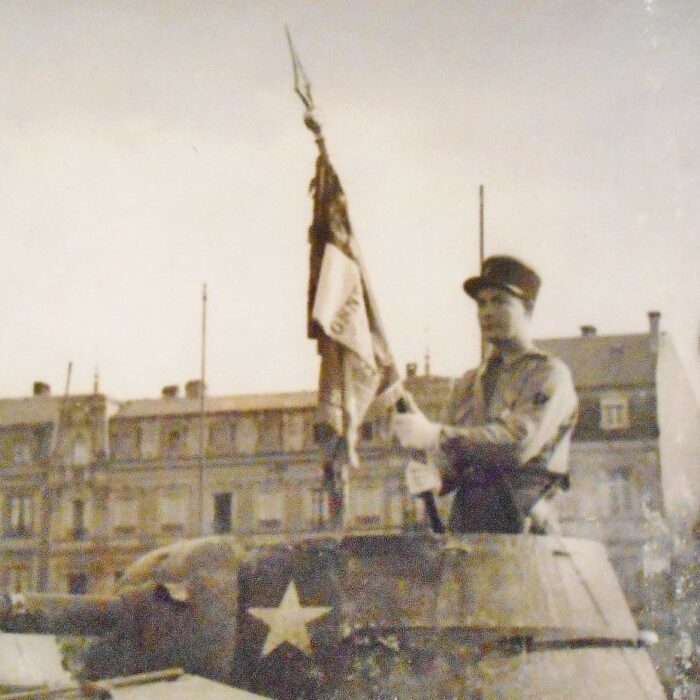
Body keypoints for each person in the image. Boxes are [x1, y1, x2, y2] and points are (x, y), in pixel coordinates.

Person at [391, 255, 578, 534]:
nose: (487, 312)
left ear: (527, 308)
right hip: (468, 530)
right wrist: (436, 476)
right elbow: (455, 461)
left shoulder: (549, 375)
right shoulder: (469, 382)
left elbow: (517, 444)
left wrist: (434, 434)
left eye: (500, 301)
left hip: (525, 530)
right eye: (482, 303)